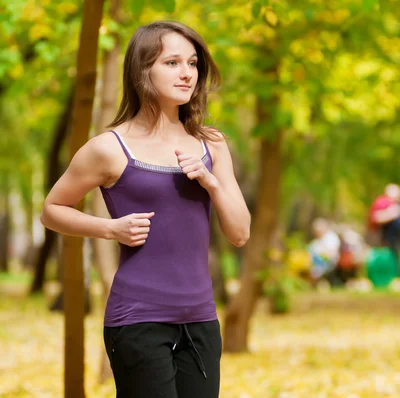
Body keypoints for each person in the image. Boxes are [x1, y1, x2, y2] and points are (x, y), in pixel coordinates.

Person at [40, 21, 250, 398]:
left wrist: (211, 182)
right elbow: (52, 209)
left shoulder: (211, 144)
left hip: (201, 320)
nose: (187, 73)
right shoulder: (109, 148)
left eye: (192, 63)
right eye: (172, 62)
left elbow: (240, 234)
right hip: (137, 320)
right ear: (142, 70)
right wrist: (111, 228)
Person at [307, 218, 341, 286]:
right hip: (317, 263)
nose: (316, 233)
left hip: (329, 263)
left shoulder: (331, 237)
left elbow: (331, 254)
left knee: (315, 270)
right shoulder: (316, 241)